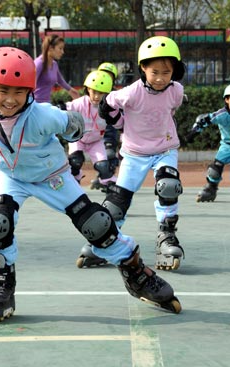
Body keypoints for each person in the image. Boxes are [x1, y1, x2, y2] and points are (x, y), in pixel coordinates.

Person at [0, 46, 181, 323]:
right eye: (3, 91)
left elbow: (72, 124)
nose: (11, 100)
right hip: (11, 177)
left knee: (96, 223)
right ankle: (1, 279)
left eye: (19, 92)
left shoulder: (43, 115)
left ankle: (134, 271)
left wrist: (74, 126)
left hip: (53, 176)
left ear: (30, 91)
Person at [95, 36, 186, 271]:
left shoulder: (176, 90)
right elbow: (107, 104)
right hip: (134, 153)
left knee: (168, 185)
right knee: (116, 202)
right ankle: (106, 241)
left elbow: (171, 110)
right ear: (143, 68)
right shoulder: (131, 92)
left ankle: (166, 236)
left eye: (166, 72)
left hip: (165, 149)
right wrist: (117, 121)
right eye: (154, 71)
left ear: (174, 71)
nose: (160, 78)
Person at [66, 70, 121, 187]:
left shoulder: (108, 107)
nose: (96, 96)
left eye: (101, 93)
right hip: (78, 139)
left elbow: (120, 121)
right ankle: (75, 177)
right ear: (87, 90)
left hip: (96, 141)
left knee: (103, 167)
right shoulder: (80, 103)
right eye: (94, 92)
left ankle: (108, 186)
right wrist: (58, 109)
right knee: (75, 161)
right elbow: (66, 109)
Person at [186, 84, 230, 202]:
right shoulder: (222, 115)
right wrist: (194, 132)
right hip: (227, 146)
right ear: (226, 99)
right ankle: (211, 189)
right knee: (214, 170)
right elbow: (204, 119)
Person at [89, 62, 121, 191]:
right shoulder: (92, 93)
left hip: (110, 130)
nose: (105, 78)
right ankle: (102, 176)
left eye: (109, 76)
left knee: (110, 153)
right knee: (100, 158)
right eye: (103, 74)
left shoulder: (116, 95)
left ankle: (108, 180)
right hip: (96, 131)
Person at [34, 34, 80, 103]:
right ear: (50, 48)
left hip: (46, 104)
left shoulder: (54, 64)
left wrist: (71, 90)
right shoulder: (39, 63)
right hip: (35, 104)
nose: (62, 52)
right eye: (60, 48)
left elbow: (60, 80)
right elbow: (30, 84)